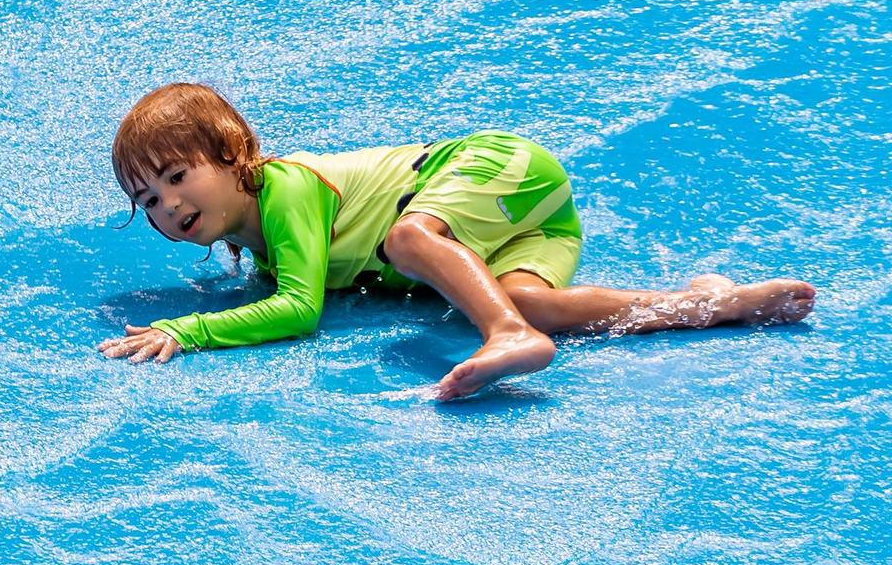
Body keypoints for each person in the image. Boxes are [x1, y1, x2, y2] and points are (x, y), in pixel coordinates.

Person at [98, 83, 816, 400]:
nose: (169, 204)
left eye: (177, 177)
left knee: (408, 239)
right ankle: (708, 303)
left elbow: (298, 309)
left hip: (500, 169)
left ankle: (507, 337)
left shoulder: (284, 191)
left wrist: (188, 329)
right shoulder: (257, 241)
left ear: (233, 154)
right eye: (148, 199)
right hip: (531, 220)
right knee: (533, 304)